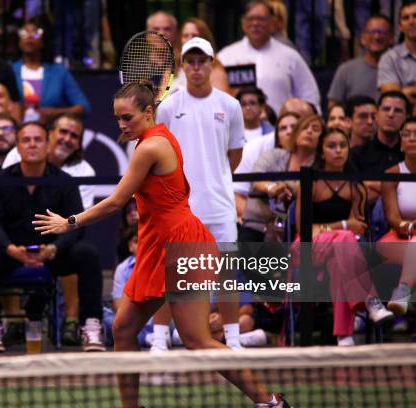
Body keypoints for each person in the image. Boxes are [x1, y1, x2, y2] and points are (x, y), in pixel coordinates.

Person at [33, 81, 289, 408]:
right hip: (159, 244)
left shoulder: (150, 147)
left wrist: (69, 222)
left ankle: (270, 402)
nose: (122, 125)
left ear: (149, 112)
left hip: (183, 245)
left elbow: (115, 203)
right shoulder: (158, 136)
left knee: (197, 340)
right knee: (124, 328)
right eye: (117, 119)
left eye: (128, 117)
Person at [0, 122, 104, 353]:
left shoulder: (65, 182)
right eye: (26, 140)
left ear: (47, 144)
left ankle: (91, 325)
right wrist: (11, 248)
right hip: (11, 253)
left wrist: (53, 249)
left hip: (52, 254)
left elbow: (76, 225)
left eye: (38, 139)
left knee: (87, 254)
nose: (32, 144)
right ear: (18, 147)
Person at [156, 37, 244, 350]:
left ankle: (233, 341)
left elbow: (234, 156)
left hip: (220, 205)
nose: (196, 67)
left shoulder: (230, 106)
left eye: (202, 61)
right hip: (180, 208)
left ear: (211, 64)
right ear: (184, 67)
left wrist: (215, 179)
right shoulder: (167, 107)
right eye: (190, 62)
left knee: (225, 275)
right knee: (174, 273)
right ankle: (159, 341)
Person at [293, 128, 394, 346]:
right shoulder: (311, 182)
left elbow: (359, 231)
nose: (338, 151)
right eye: (332, 146)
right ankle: (370, 301)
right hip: (306, 248)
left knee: (341, 258)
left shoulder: (356, 187)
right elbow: (305, 230)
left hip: (339, 251)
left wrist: (335, 229)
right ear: (321, 152)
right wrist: (343, 225)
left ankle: (344, 337)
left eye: (343, 145)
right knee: (345, 238)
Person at [217, 0, 320, 114]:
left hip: (280, 129)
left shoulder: (290, 57)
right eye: (250, 19)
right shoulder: (225, 57)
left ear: (272, 23)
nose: (255, 23)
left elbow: (310, 97)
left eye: (261, 19)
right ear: (243, 22)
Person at [239, 113, 318, 242]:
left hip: (295, 228)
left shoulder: (318, 165)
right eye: (305, 128)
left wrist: (290, 188)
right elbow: (257, 178)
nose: (309, 131)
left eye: (315, 129)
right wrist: (272, 188)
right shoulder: (273, 155)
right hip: (257, 224)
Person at [12, 20, 91, 123]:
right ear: (19, 41)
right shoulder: (10, 71)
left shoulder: (59, 72)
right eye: (24, 33)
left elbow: (84, 106)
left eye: (35, 33)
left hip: (49, 132)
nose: (30, 37)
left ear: (43, 41)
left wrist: (56, 113)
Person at [378, 116, 416, 315]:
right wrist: (410, 227)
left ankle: (402, 290)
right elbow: (392, 217)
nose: (412, 138)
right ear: (401, 143)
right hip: (397, 238)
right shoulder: (392, 173)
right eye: (406, 134)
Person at [351, 91, 410, 200]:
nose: (391, 114)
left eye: (397, 110)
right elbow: (357, 193)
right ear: (376, 115)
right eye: (386, 109)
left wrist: (372, 185)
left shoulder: (411, 156)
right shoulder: (356, 155)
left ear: (406, 117)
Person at [327, 15, 394, 108]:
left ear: (392, 38)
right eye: (372, 32)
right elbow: (333, 106)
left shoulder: (399, 68)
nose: (377, 36)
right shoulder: (346, 70)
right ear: (363, 38)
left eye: (382, 32)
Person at [170, 16, 231, 94]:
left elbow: (220, 103)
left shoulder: (215, 70)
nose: (189, 39)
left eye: (194, 35)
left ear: (204, 39)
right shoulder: (173, 66)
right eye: (185, 36)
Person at [378, 2, 416, 105]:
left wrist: (407, 90)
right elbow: (392, 97)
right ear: (400, 26)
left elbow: (401, 94)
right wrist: (403, 93)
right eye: (406, 18)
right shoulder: (389, 58)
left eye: (415, 16)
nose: (411, 21)